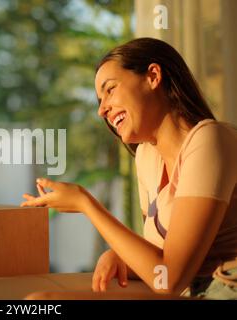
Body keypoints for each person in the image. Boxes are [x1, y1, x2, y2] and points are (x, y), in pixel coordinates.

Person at [21, 37, 237, 299]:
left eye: (110, 89)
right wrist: (121, 258)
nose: (102, 110)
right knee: (40, 301)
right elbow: (164, 260)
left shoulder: (210, 140)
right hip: (193, 290)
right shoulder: (146, 156)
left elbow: (169, 278)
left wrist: (86, 204)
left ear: (153, 76)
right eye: (99, 99)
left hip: (225, 288)